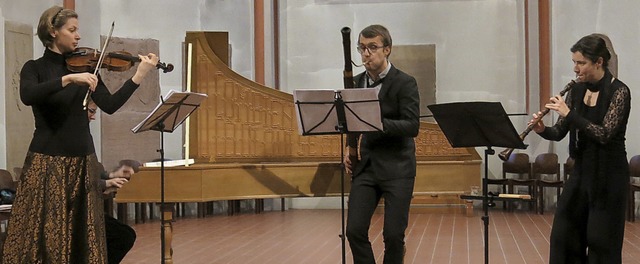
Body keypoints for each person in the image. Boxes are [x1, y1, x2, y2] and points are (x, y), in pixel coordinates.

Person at [2, 6, 159, 263]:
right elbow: (28, 95)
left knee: (85, 237)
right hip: (47, 162)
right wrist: (69, 80)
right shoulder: (35, 68)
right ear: (53, 31)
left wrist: (139, 75)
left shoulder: (88, 67)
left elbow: (109, 104)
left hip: (83, 161)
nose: (78, 36)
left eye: (78, 31)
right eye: (71, 30)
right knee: (47, 239)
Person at [530, 34, 631, 263]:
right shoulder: (576, 91)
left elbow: (604, 134)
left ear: (599, 62)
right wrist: (541, 129)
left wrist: (569, 113)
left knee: (601, 241)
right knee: (563, 237)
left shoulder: (619, 92)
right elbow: (559, 131)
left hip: (609, 176)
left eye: (581, 62)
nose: (576, 69)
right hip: (581, 172)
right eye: (574, 62)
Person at [344, 24, 420, 264]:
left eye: (372, 47)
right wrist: (349, 146)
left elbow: (411, 126)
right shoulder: (355, 82)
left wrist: (376, 122)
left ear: (387, 50)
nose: (366, 53)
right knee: (354, 230)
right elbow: (350, 119)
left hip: (398, 168)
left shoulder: (405, 83)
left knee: (393, 235)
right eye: (362, 48)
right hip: (367, 166)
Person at [88, 100, 139, 264]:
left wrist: (112, 175)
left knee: (124, 235)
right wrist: (106, 184)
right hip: (71, 210)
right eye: (91, 111)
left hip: (87, 208)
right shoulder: (69, 137)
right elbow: (74, 179)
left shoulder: (82, 135)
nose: (94, 117)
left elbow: (90, 172)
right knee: (123, 236)